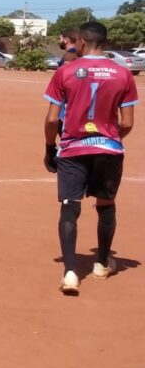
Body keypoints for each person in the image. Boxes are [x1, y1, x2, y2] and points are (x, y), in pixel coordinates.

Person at [43, 21, 137, 295]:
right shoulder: (123, 74)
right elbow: (127, 123)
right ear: (105, 42)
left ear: (81, 42)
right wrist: (108, 138)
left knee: (69, 206)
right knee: (106, 204)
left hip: (73, 148)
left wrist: (51, 148)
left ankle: (71, 271)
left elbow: (51, 119)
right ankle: (101, 263)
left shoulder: (67, 71)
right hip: (108, 149)